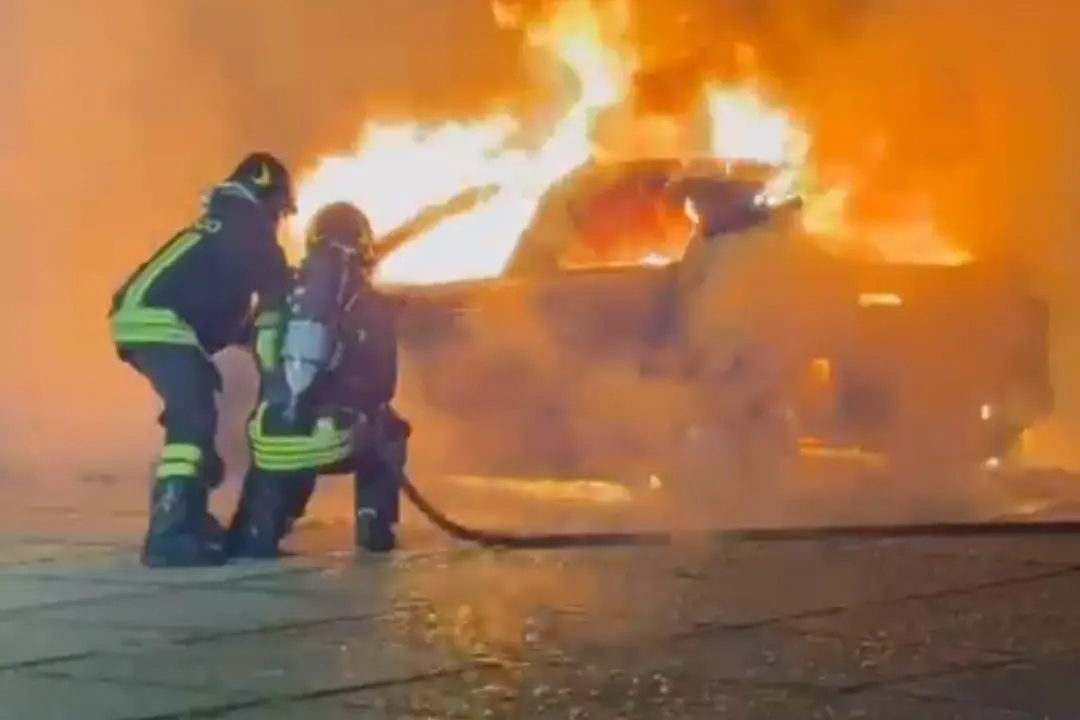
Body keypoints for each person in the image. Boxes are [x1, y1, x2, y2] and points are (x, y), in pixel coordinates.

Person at [109, 152, 296, 568]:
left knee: (198, 406)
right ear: (266, 197)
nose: (279, 219)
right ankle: (170, 531)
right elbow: (272, 312)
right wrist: (276, 377)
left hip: (146, 317)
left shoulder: (225, 225)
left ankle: (187, 512)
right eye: (280, 209)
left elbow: (222, 311)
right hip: (159, 321)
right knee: (193, 415)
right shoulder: (250, 232)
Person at [226, 201, 408, 559]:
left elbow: (255, 349)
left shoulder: (280, 293)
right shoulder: (371, 302)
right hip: (334, 440)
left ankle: (267, 522)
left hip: (270, 440)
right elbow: (385, 385)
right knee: (391, 428)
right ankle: (374, 520)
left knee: (278, 425)